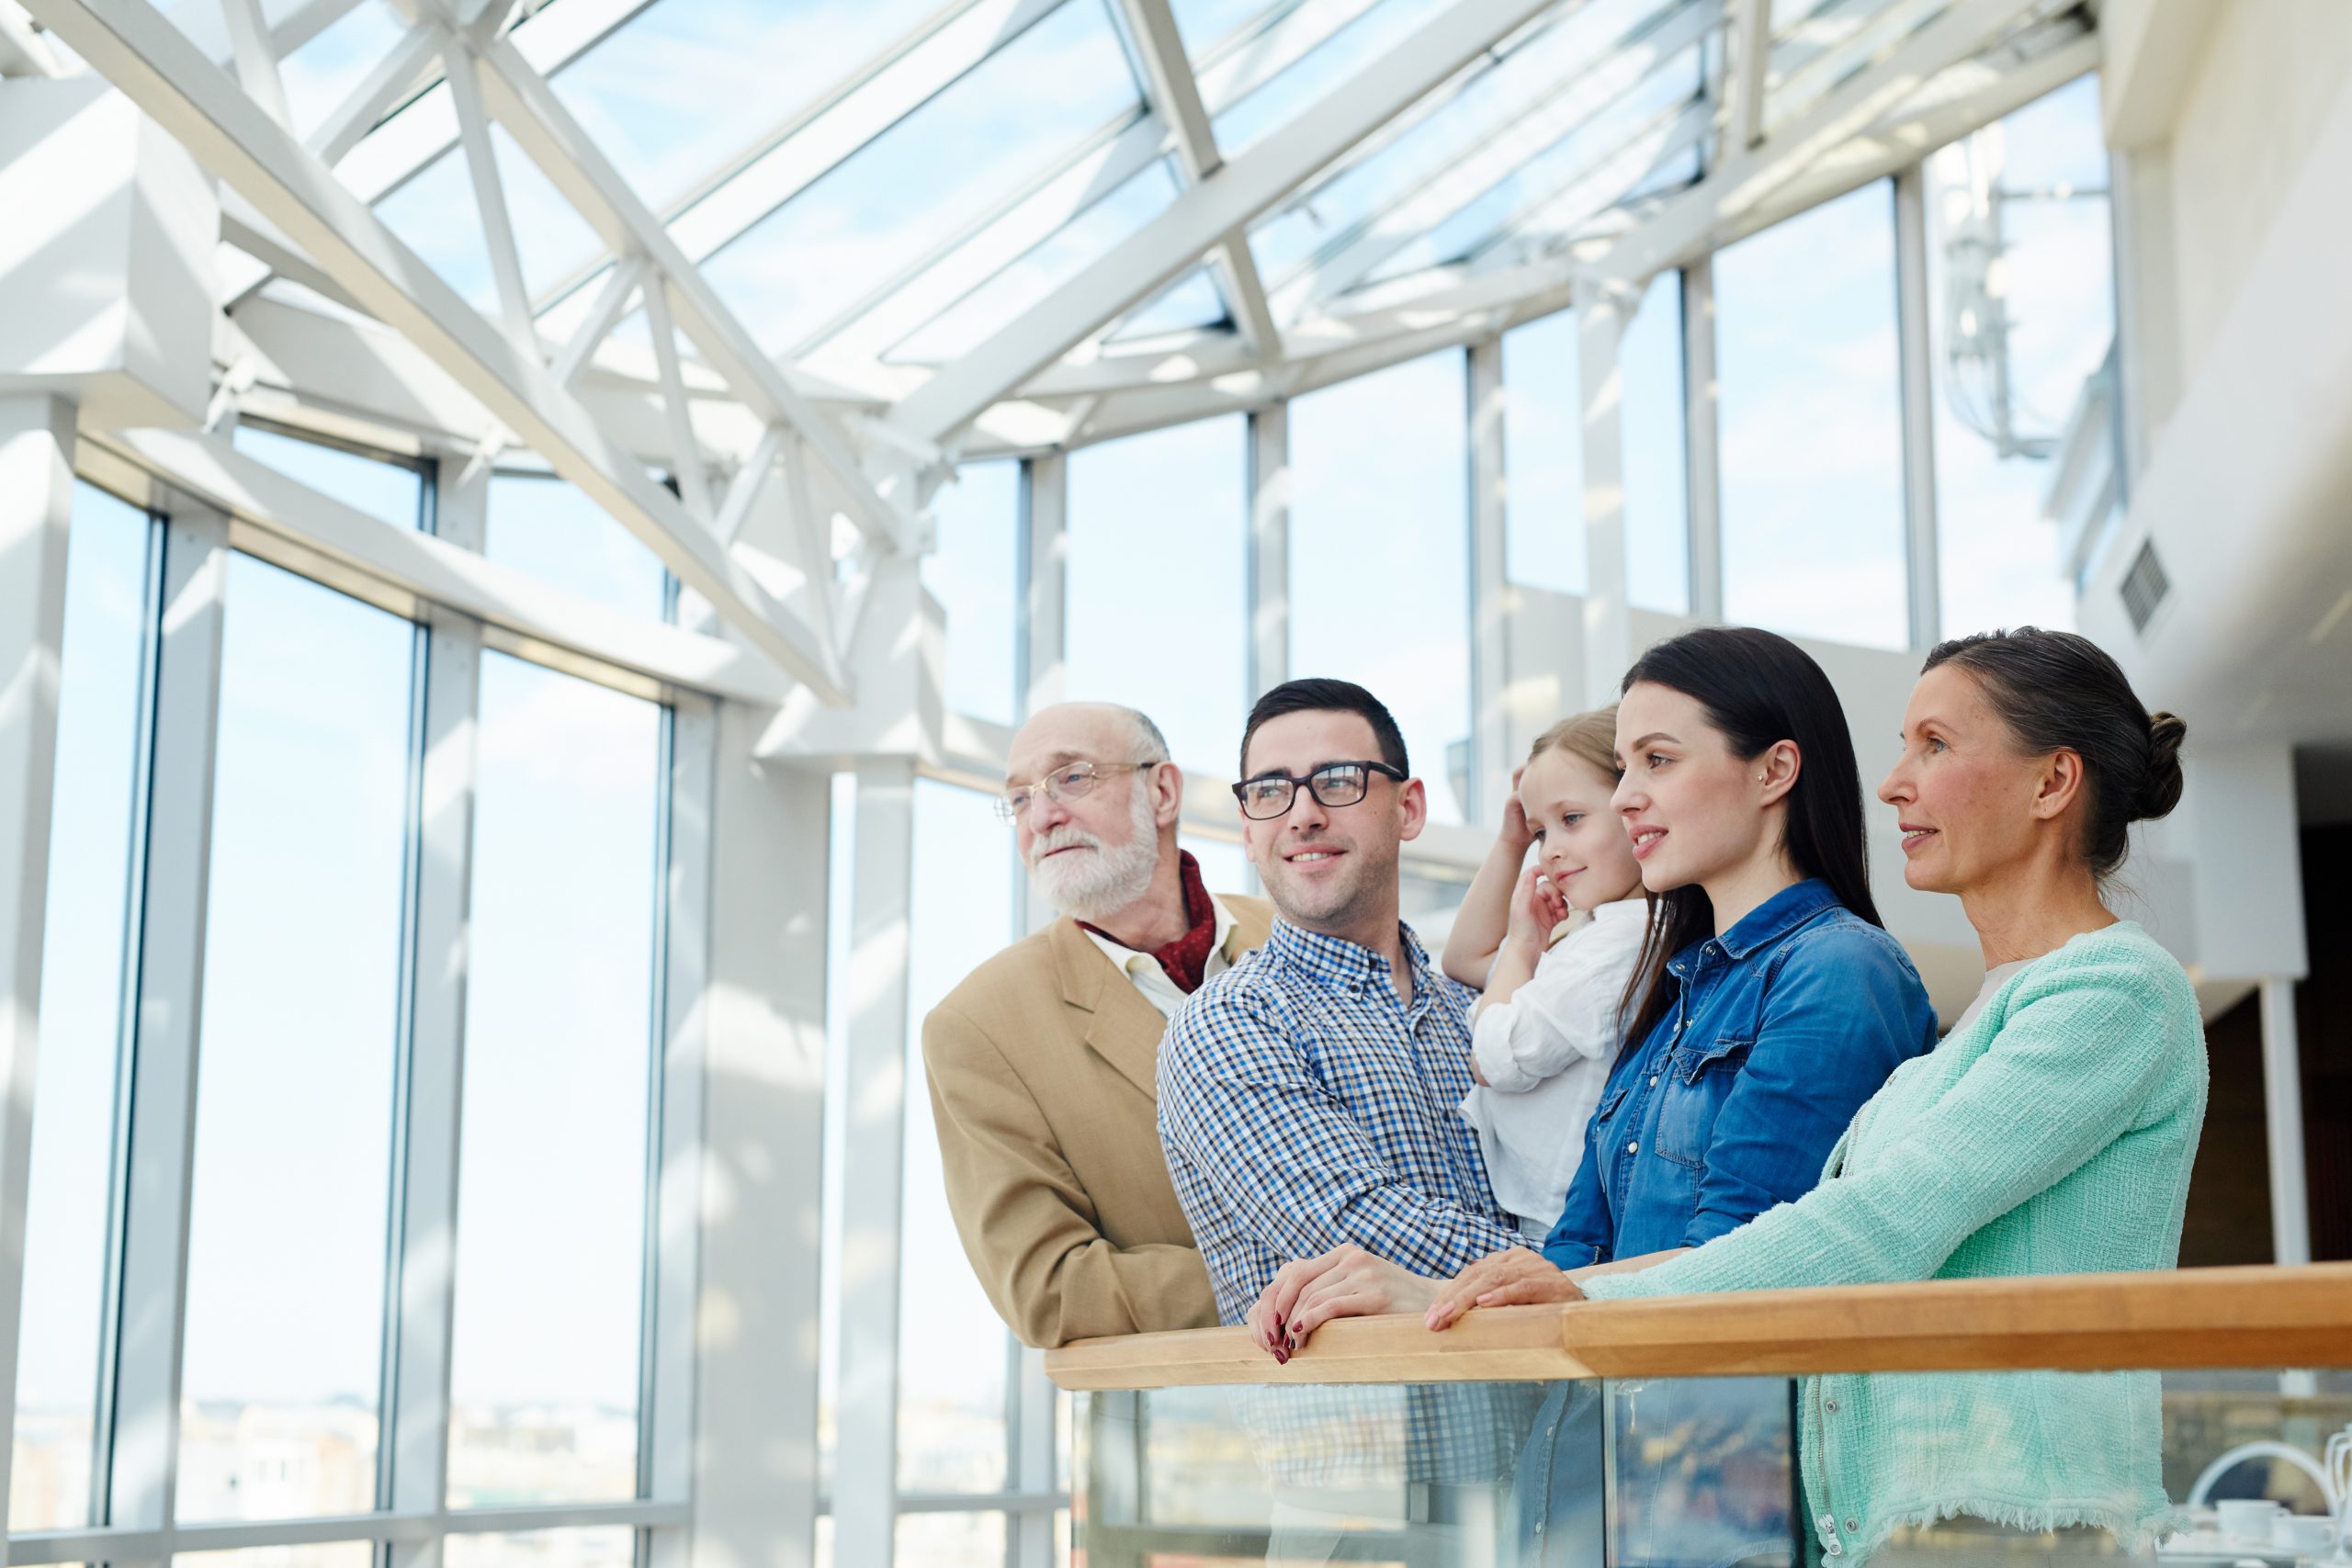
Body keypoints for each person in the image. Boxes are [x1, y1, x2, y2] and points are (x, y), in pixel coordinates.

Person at [1454, 628, 2209, 1568]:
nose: (1894, 782)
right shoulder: (1969, 1028)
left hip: (2018, 1528)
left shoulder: (2117, 990)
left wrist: (1572, 1297)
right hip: (1904, 1525)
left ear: (2051, 784)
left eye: (1934, 745)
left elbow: (1873, 1228)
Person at [1157, 677, 1524, 1337]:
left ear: (1409, 808)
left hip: (1570, 1421)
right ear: (1247, 830)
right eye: (1270, 790)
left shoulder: (1476, 1010)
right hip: (1362, 1436)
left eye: (1338, 779)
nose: (1302, 814)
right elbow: (1358, 1224)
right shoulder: (1226, 1023)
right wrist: (1585, 1275)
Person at [922, 701, 1272, 1348]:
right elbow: (1050, 1288)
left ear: (1162, 790)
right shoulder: (978, 1026)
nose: (1043, 816)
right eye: (1020, 799)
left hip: (1437, 1377)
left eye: (1072, 778)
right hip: (1197, 1429)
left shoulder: (1297, 935)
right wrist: (1299, 1285)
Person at [1440, 707, 1651, 1238]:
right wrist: (1513, 840)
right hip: (1546, 1215)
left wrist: (1522, 946)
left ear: (1634, 805)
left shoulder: (1613, 946)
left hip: (1556, 1224)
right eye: (1539, 831)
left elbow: (1493, 1058)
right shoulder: (1603, 933)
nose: (1551, 849)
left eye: (1572, 818)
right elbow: (1465, 959)